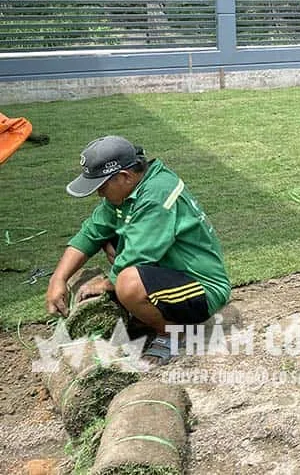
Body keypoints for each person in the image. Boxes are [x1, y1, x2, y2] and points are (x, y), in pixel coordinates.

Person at [46, 136, 231, 366]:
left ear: (124, 177)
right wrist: (58, 278)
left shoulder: (157, 193)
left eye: (102, 186)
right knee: (110, 242)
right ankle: (147, 313)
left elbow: (138, 256)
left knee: (127, 283)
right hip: (168, 274)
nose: (100, 194)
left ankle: (171, 333)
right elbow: (91, 232)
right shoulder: (131, 189)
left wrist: (106, 283)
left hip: (202, 287)